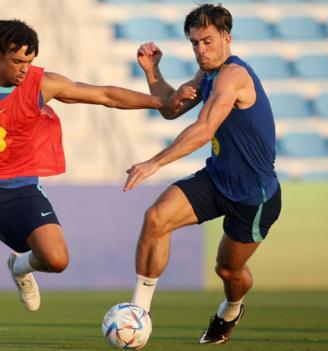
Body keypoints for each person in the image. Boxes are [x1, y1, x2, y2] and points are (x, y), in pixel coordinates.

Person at [0, 19, 193, 349]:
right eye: (17, 61)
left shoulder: (43, 83)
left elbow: (105, 95)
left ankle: (19, 265)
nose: (25, 69)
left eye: (29, 61)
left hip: (19, 187)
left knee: (57, 260)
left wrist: (162, 103)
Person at [124, 4, 282, 345]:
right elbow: (172, 107)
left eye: (207, 41)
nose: (201, 50)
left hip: (253, 196)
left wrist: (154, 162)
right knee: (155, 218)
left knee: (227, 270)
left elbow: (204, 127)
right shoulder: (206, 75)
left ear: (227, 38)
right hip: (216, 178)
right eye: (195, 43)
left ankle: (231, 309)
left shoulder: (233, 75)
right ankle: (137, 314)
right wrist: (152, 71)